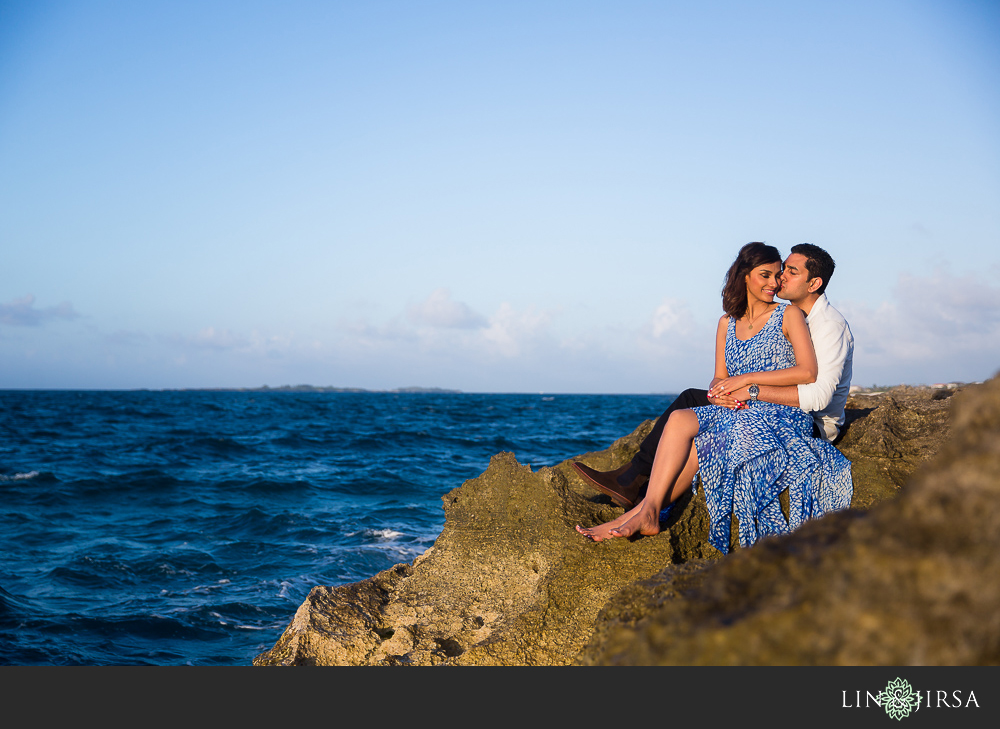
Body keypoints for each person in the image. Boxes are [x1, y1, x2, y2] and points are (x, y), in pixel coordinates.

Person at [575, 243, 853, 552]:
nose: (778, 281)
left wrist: (748, 383)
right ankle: (646, 508)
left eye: (785, 273)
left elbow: (812, 380)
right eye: (771, 273)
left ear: (813, 283)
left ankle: (639, 509)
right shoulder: (727, 322)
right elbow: (720, 376)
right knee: (684, 412)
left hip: (796, 416)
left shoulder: (814, 321)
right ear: (744, 276)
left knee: (704, 438)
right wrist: (718, 393)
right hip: (746, 404)